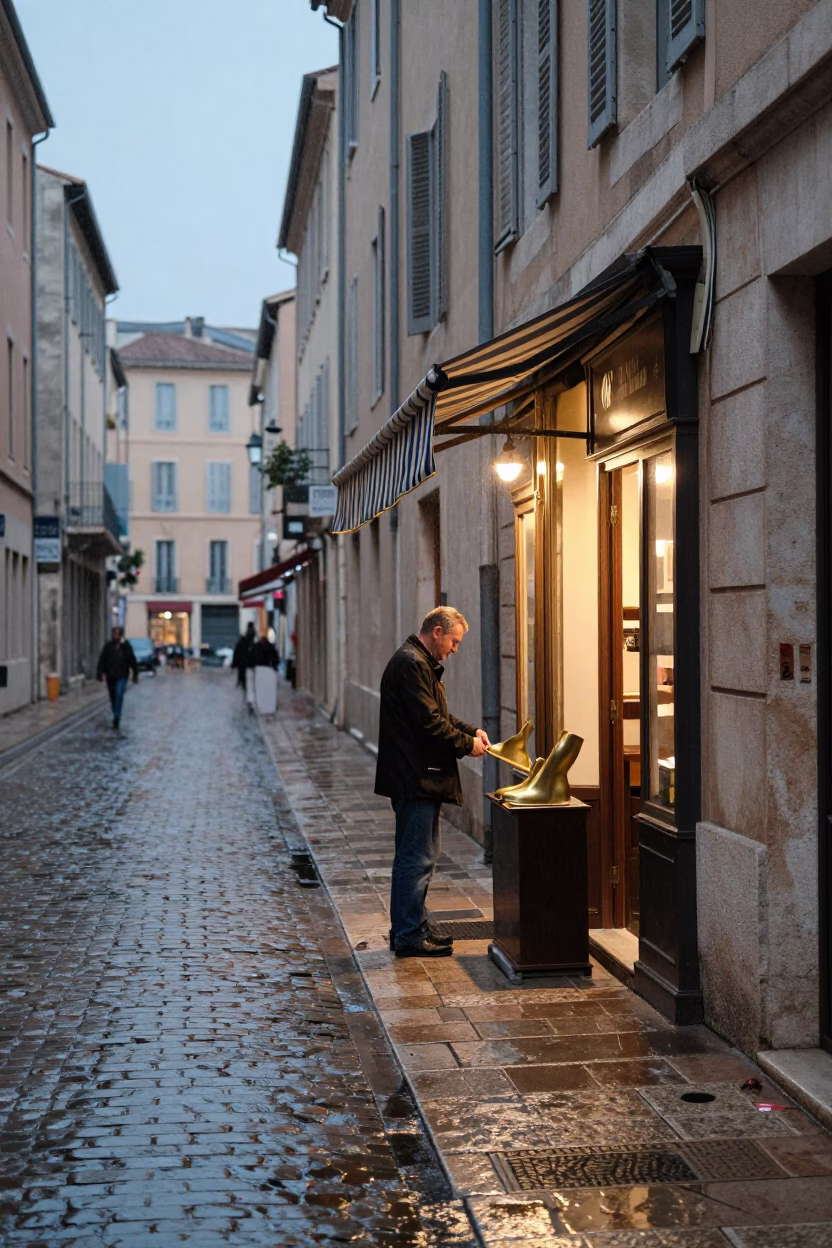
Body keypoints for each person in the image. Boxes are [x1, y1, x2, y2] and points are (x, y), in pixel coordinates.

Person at [375, 606, 489, 959]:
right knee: (416, 857)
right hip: (415, 777)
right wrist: (465, 745)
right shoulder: (412, 664)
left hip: (416, 775)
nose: (455, 649)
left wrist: (471, 731)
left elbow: (439, 715)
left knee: (418, 855)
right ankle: (409, 934)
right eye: (454, 641)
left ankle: (411, 928)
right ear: (437, 632)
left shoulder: (418, 663)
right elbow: (429, 724)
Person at [96, 626, 139, 730]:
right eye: (114, 633)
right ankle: (115, 712)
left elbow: (132, 660)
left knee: (119, 694)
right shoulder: (108, 646)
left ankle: (117, 716)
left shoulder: (126, 646)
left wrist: (135, 674)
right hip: (110, 675)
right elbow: (102, 659)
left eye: (118, 634)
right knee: (113, 696)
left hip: (122, 675)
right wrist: (100, 673)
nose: (116, 635)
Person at [252, 629, 279, 716]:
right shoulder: (269, 647)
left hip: (262, 671)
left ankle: (265, 707)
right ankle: (267, 707)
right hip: (265, 670)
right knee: (266, 691)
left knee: (263, 691)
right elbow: (275, 659)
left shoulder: (257, 647)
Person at [232, 622, 256, 690]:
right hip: (244, 657)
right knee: (242, 671)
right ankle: (242, 683)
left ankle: (241, 682)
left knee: (242, 671)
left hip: (243, 657)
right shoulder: (250, 633)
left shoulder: (248, 634)